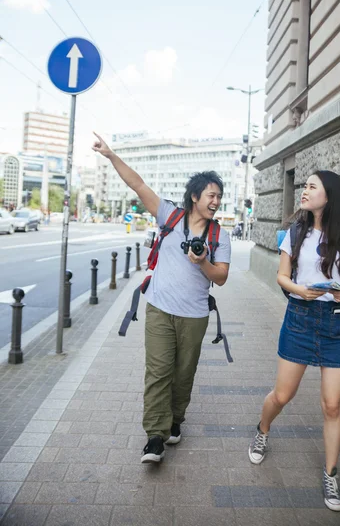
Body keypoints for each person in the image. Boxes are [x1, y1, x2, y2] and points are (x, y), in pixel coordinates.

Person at [92, 132, 231, 464]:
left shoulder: (218, 235)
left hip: (195, 316)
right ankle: (154, 437)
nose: (216, 201)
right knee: (158, 371)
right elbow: (138, 185)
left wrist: (203, 263)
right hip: (158, 309)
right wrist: (111, 155)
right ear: (195, 196)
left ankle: (175, 420)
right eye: (211, 195)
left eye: (219, 197)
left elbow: (222, 278)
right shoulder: (169, 215)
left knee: (183, 373)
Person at [248, 170, 340, 512]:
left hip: (337, 323)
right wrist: (300, 289)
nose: (304, 191)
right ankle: (262, 428)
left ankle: (331, 474)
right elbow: (282, 276)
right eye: (304, 186)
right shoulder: (295, 233)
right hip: (300, 318)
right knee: (283, 395)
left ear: (329, 196)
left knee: (332, 405)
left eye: (311, 187)